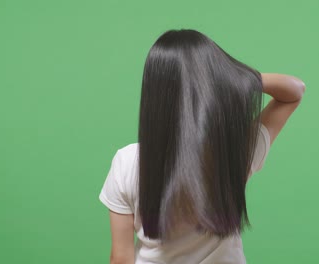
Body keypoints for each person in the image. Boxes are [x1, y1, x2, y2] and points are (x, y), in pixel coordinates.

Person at [98, 29, 306, 264]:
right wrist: (236, 77)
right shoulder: (234, 152)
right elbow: (295, 90)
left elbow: (120, 259)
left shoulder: (127, 161)